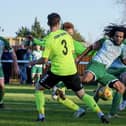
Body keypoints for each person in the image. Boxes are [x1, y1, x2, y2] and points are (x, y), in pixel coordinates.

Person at [29, 12, 109, 123]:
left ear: (48, 23)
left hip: (57, 71)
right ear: (59, 22)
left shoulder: (49, 39)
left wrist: (33, 62)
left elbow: (44, 60)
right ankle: (101, 114)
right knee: (82, 94)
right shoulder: (66, 35)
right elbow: (71, 52)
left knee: (39, 88)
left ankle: (41, 116)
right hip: (71, 70)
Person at [0, 36, 19, 108]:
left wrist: (16, 65)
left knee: (1, 85)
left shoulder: (3, 40)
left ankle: (0, 103)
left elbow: (12, 53)